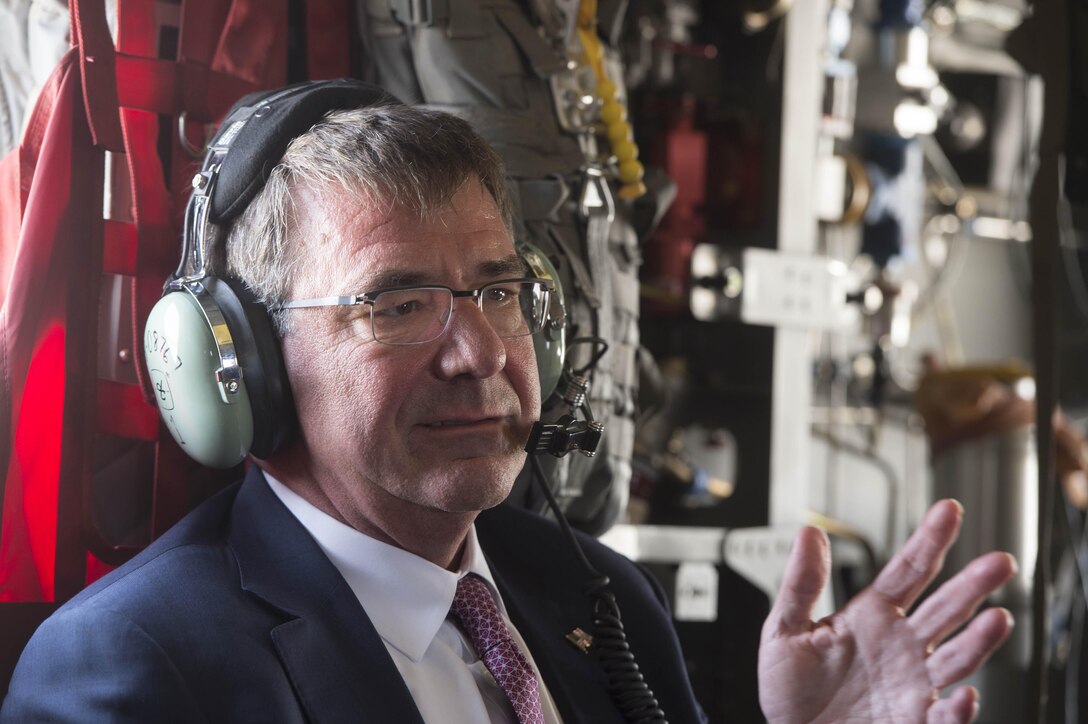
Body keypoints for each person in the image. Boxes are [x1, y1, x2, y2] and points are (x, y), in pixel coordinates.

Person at [1, 87, 1016, 723]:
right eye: (397, 303)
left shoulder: (598, 600)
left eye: (496, 290)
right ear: (242, 362)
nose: (480, 350)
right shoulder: (131, 673)